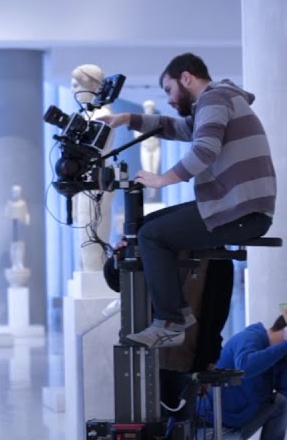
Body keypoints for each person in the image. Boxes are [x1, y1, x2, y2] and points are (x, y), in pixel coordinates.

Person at [104, 53, 276, 348]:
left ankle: (171, 320)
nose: (169, 99)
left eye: (169, 90)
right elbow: (176, 128)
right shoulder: (219, 102)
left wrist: (161, 179)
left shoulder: (215, 98)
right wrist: (127, 119)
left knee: (151, 235)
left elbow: (205, 149)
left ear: (186, 78)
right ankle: (167, 311)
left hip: (240, 211)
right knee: (147, 226)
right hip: (235, 207)